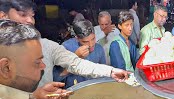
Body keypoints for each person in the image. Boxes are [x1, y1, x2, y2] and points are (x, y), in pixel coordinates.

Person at [0, 0, 129, 88]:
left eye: (32, 16)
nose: (30, 20)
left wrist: (111, 71)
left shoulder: (48, 46)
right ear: (3, 16)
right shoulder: (68, 45)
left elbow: (77, 64)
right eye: (23, 15)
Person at [53, 20, 106, 89]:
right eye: (85, 42)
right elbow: (56, 77)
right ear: (77, 39)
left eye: (93, 39)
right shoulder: (66, 48)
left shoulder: (99, 49)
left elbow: (104, 75)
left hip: (94, 91)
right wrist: (75, 57)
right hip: (73, 92)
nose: (91, 44)